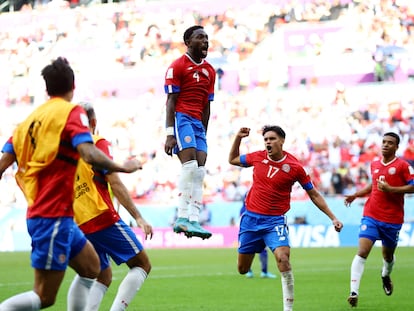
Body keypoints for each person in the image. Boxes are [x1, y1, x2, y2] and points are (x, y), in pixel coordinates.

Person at [0, 57, 141, 311]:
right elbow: (88, 152)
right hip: (51, 216)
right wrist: (122, 166)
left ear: (46, 89)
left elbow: (2, 166)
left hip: (57, 216)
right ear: (73, 86)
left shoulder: (27, 123)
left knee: (92, 268)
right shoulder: (71, 112)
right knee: (44, 297)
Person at [228, 126, 343, 311]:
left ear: (282, 141)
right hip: (251, 220)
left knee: (283, 258)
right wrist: (238, 138)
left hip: (275, 221)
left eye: (272, 139)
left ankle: (288, 309)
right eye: (265, 139)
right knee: (242, 269)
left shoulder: (295, 167)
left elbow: (313, 194)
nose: (267, 142)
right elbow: (232, 159)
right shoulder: (257, 157)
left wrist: (333, 217)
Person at [69, 102, 153, 311]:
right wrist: (138, 217)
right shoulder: (97, 142)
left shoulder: (68, 150)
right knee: (142, 264)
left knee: (102, 274)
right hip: (100, 216)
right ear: (94, 122)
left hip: (77, 222)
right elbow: (114, 181)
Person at [344, 132, 414, 308]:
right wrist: (356, 194)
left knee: (387, 255)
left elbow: (413, 186)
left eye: (390, 143)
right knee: (362, 251)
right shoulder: (374, 164)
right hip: (371, 215)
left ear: (396, 147)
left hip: (393, 219)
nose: (385, 145)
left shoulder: (403, 166)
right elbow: (373, 185)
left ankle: (385, 275)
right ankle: (354, 292)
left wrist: (391, 189)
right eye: (384, 142)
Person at [164, 25, 216, 239]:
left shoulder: (210, 71)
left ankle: (194, 219)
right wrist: (169, 133)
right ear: (188, 42)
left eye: (206, 38)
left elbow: (207, 105)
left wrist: (203, 132)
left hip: (197, 125)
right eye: (200, 38)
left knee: (200, 171)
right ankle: (182, 217)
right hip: (181, 118)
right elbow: (170, 101)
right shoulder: (177, 66)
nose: (205, 41)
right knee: (190, 166)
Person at [240, 192, 276, 279]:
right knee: (258, 250)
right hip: (257, 229)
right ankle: (262, 272)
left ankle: (253, 272)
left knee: (249, 251)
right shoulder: (253, 206)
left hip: (249, 230)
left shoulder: (244, 208)